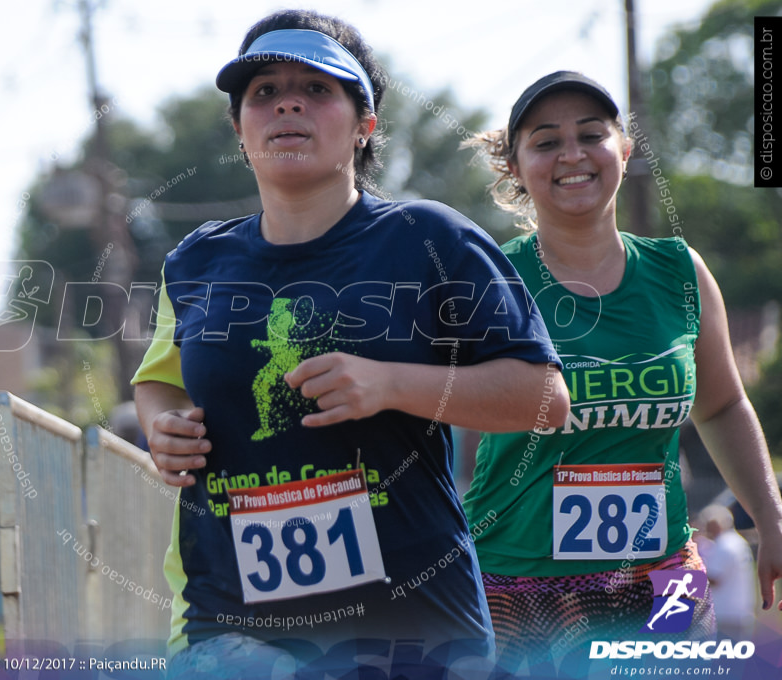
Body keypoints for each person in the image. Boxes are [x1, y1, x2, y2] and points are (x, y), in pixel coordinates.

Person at [132, 10, 570, 678]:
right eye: (263, 92)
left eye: (317, 89)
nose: (287, 102)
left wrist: (392, 384)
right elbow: (159, 378)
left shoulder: (429, 238)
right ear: (240, 129)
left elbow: (545, 400)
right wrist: (161, 424)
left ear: (365, 125)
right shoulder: (196, 263)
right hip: (232, 628)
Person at [462, 71, 782, 673]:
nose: (572, 155)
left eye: (591, 135)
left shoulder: (679, 271)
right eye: (546, 141)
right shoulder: (489, 281)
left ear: (625, 151)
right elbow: (429, 410)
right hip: (520, 586)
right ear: (515, 166)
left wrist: (770, 514)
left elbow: (721, 406)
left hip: (666, 578)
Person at [697, 504, 756, 640]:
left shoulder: (723, 545)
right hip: (740, 610)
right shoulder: (738, 541)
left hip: (725, 612)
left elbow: (715, 579)